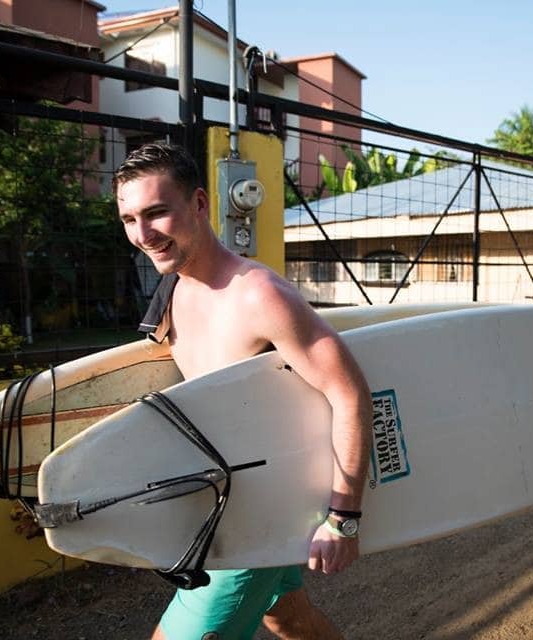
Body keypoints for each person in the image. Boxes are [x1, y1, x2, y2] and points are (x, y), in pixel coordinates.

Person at [113, 143, 372, 639]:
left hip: (261, 513)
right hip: (228, 502)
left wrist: (344, 518)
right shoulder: (172, 291)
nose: (143, 235)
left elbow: (350, 393)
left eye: (157, 213)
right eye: (129, 219)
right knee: (290, 619)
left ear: (200, 204)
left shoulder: (258, 295)